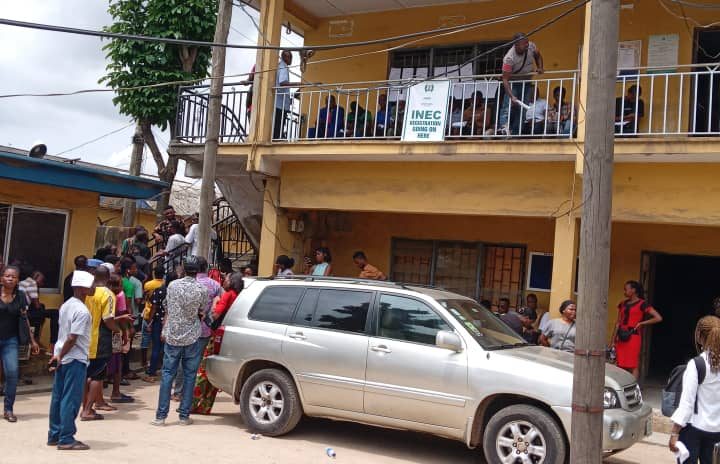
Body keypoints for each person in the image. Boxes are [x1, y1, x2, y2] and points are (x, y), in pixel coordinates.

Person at [152, 256, 207, 426]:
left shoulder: (172, 285)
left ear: (183, 268)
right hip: (192, 336)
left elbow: (167, 307)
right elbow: (202, 309)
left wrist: (165, 328)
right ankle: (184, 416)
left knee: (168, 374)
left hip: (173, 335)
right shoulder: (201, 289)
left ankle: (161, 417)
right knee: (190, 375)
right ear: (197, 270)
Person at [47, 270, 94, 451]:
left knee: (58, 397)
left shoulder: (66, 305)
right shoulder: (82, 311)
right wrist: (63, 354)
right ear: (82, 289)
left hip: (62, 357)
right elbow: (72, 338)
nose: (93, 288)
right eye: (90, 285)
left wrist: (58, 355)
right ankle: (66, 438)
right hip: (74, 358)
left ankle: (54, 434)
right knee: (71, 399)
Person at [669, 316, 720, 463]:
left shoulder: (697, 364)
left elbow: (687, 403)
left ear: (699, 337)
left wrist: (674, 433)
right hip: (717, 431)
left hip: (693, 430)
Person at [191, 272, 244, 414]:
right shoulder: (239, 296)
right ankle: (205, 406)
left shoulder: (227, 295)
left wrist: (215, 303)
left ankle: (193, 404)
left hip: (216, 336)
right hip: (229, 337)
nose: (223, 281)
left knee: (203, 370)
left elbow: (216, 314)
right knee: (213, 371)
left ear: (232, 281)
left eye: (226, 279)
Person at [81, 266, 123, 421]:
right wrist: (118, 330)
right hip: (100, 340)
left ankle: (86, 405)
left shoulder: (86, 292)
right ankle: (87, 410)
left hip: (83, 339)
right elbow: (108, 319)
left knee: (85, 375)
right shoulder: (108, 294)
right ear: (108, 277)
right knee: (97, 376)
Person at [0, 266, 40, 422]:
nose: (10, 279)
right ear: (1, 278)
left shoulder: (21, 296)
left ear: (18, 280)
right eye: (7, 276)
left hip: (10, 340)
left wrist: (32, 340)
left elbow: (24, 318)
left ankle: (8, 409)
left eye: (14, 277)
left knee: (12, 373)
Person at [613, 280, 663, 379]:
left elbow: (658, 318)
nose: (624, 291)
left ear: (633, 290)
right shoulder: (622, 304)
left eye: (626, 289)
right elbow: (618, 322)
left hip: (633, 336)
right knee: (619, 363)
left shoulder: (642, 304)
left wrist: (642, 323)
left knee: (633, 364)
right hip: (621, 336)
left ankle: (634, 389)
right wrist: (613, 339)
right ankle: (621, 387)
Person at [500, 33, 544, 135]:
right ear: (516, 45)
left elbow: (538, 55)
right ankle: (503, 129)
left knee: (523, 109)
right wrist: (512, 96)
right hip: (513, 83)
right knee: (507, 107)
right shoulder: (509, 58)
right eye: (524, 44)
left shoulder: (531, 46)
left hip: (526, 82)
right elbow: (505, 79)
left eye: (527, 42)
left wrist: (540, 67)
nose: (526, 45)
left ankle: (516, 132)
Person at [106, 274, 133, 405]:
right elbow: (121, 317)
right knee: (117, 363)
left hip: (106, 333)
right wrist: (125, 335)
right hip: (114, 332)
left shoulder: (100, 295)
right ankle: (115, 392)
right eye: (118, 284)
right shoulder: (119, 296)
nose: (120, 287)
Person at [144, 271, 176, 382]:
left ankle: (152, 372)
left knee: (156, 347)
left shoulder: (160, 290)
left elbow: (154, 307)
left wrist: (150, 321)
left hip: (158, 321)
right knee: (167, 348)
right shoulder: (175, 292)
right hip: (171, 322)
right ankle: (167, 370)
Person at [120, 258, 144, 380]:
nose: (136, 270)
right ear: (128, 270)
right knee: (126, 347)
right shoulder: (130, 284)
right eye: (134, 268)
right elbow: (130, 304)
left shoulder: (118, 281)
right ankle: (124, 371)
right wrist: (130, 325)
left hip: (117, 318)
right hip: (128, 318)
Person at [274, 50, 294, 140]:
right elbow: (282, 82)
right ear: (284, 57)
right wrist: (297, 84)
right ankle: (277, 140)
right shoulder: (283, 66)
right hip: (280, 104)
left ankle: (278, 138)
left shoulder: (280, 66)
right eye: (289, 57)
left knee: (278, 125)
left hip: (280, 103)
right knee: (278, 126)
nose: (291, 59)